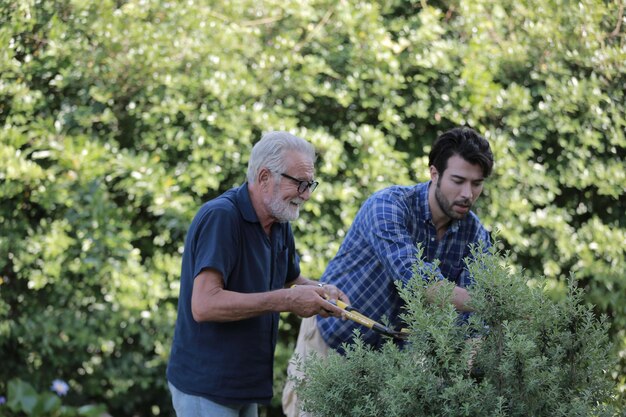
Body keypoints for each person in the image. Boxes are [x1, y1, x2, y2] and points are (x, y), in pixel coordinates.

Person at [282, 126, 495, 417]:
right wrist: (498, 304)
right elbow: (418, 283)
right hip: (331, 344)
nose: (468, 194)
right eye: (458, 181)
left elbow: (472, 320)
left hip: (390, 368)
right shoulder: (388, 206)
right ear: (434, 173)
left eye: (477, 184)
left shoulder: (475, 234)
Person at [166, 131, 348, 417]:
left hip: (245, 387)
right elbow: (204, 305)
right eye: (300, 184)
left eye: (310, 184)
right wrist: (287, 300)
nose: (307, 194)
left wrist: (322, 290)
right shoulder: (222, 217)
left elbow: (290, 280)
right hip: (207, 387)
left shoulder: (279, 221)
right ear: (264, 178)